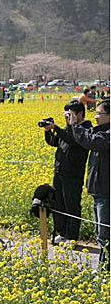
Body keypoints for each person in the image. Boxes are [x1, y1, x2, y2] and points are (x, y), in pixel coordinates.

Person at [67, 99, 110, 271]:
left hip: (107, 192)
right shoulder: (101, 132)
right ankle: (104, 268)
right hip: (99, 191)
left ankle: (105, 270)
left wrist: (76, 124)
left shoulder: (107, 135)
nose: (96, 117)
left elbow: (90, 140)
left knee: (105, 235)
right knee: (102, 235)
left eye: (99, 113)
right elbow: (86, 137)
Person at [42, 100, 92, 244]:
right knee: (59, 204)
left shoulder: (85, 128)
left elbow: (73, 141)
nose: (67, 118)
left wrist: (57, 127)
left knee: (72, 205)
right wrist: (48, 131)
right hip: (59, 171)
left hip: (73, 174)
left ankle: (72, 237)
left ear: (80, 114)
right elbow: (55, 142)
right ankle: (62, 233)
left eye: (69, 115)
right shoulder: (68, 127)